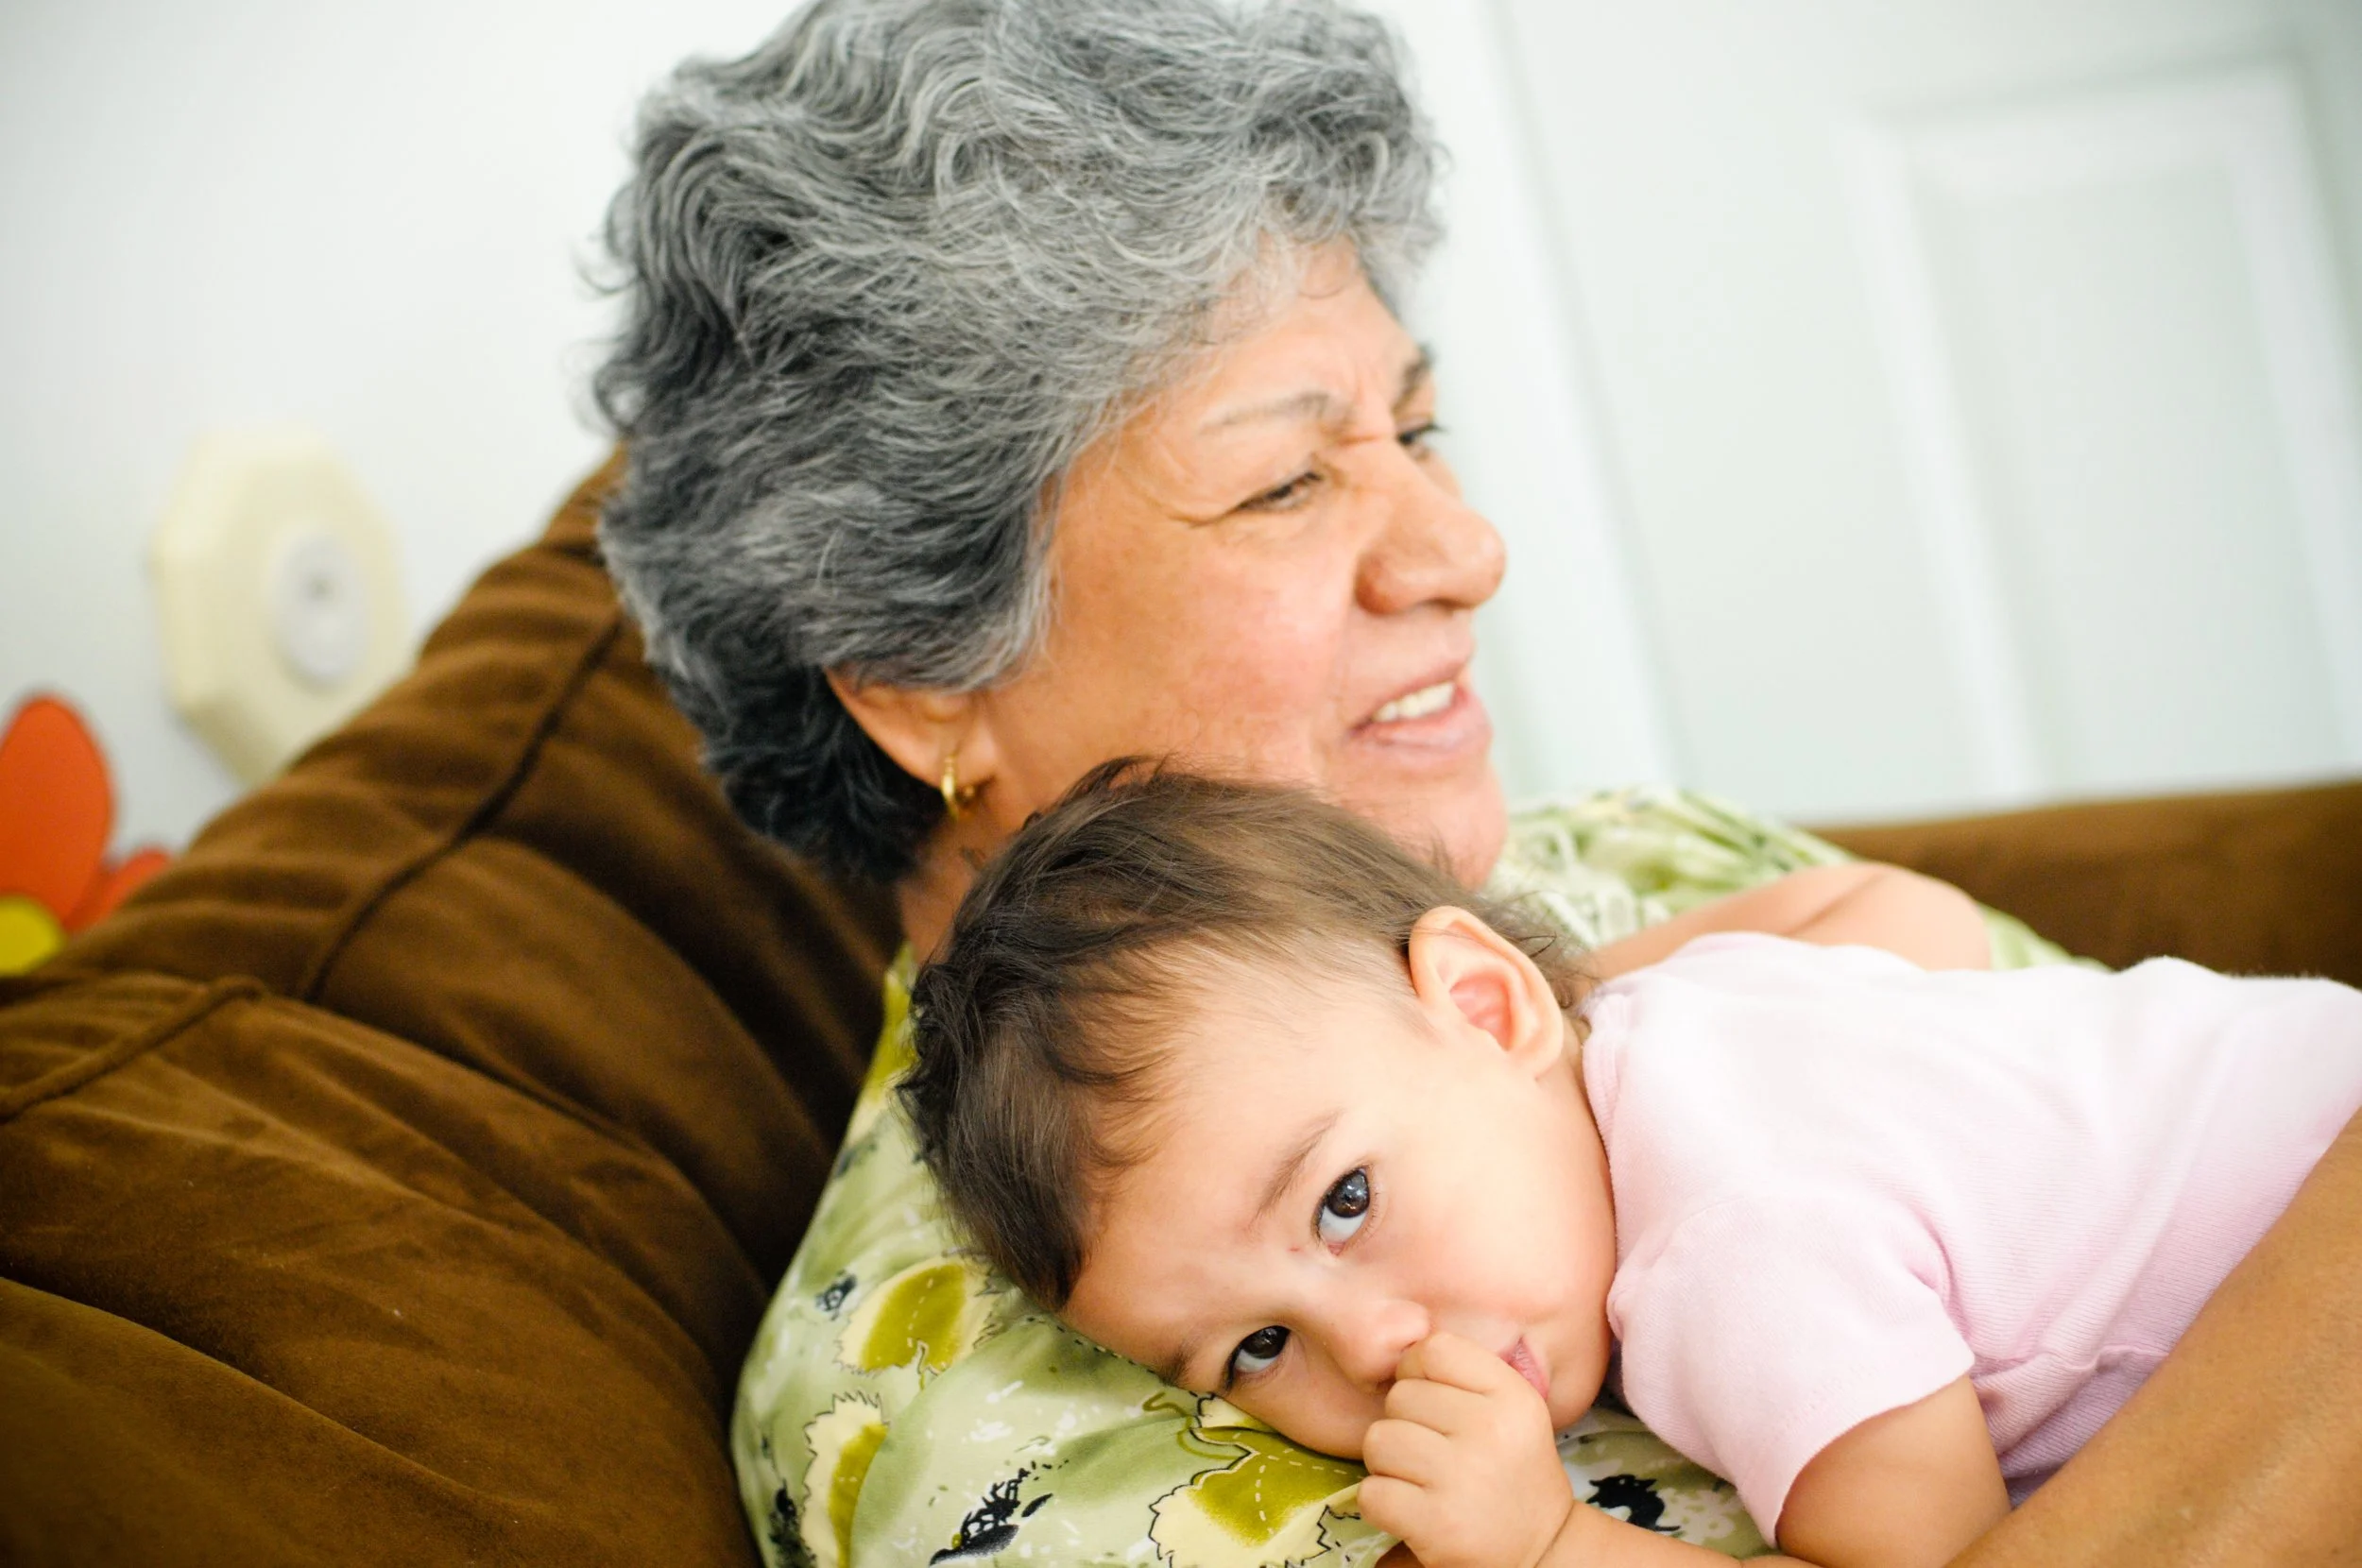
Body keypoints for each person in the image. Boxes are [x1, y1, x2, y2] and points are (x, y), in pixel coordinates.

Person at [589, 2, 2362, 1563]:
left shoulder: (1568, 882)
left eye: (1416, 431)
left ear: (1483, 999)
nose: (1468, 549)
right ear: (922, 679)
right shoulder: (987, 1405)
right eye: (1288, 483)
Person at [900, 767, 2362, 1568]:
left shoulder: (1731, 1252)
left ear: (1488, 1006)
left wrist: (1551, 1543)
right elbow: (1909, 914)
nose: (1377, 1348)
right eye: (1256, 1349)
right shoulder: (1680, 1011)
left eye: (1346, 1201)